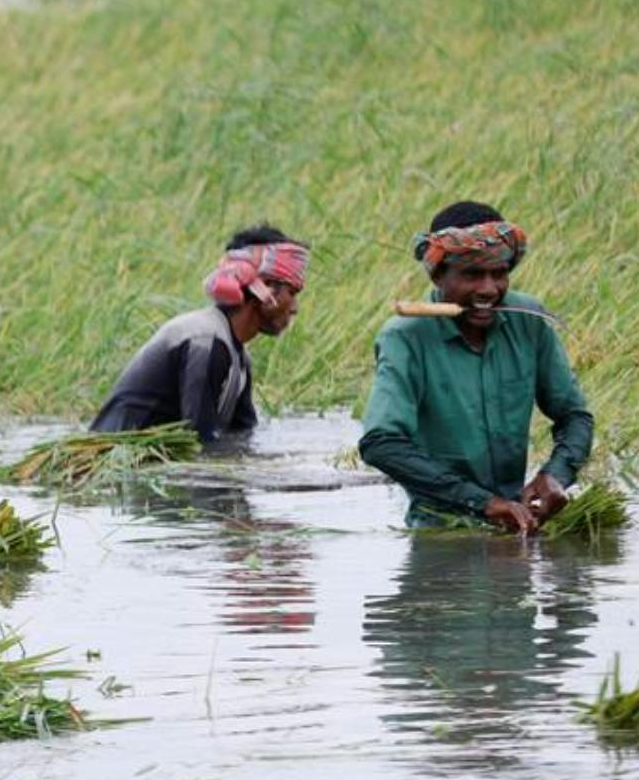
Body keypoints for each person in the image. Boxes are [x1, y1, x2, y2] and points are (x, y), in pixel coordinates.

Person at [359, 202, 592, 532]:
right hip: (440, 530)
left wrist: (555, 475)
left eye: (499, 274)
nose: (488, 289)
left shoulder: (529, 321)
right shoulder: (406, 336)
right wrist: (481, 503)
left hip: (521, 524)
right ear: (438, 274)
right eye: (471, 274)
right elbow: (380, 443)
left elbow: (574, 417)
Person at [90, 227, 308, 440]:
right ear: (265, 290)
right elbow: (199, 441)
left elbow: (242, 433)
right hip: (119, 460)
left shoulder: (238, 357)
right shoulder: (205, 342)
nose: (295, 308)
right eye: (292, 293)